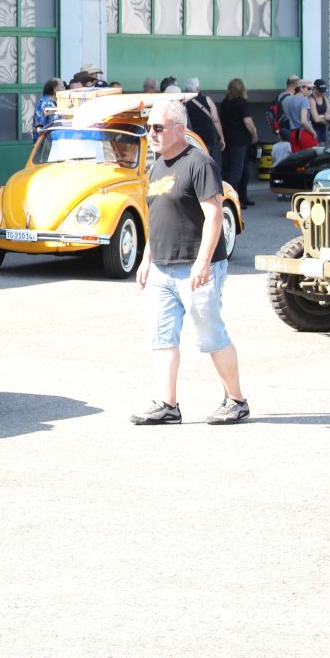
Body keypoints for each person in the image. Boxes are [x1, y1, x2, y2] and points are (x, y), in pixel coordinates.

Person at [131, 100, 248, 425]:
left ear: (180, 129)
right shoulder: (158, 165)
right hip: (162, 268)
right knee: (162, 337)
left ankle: (236, 400)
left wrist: (203, 262)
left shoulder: (199, 163)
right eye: (149, 128)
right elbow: (157, 216)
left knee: (211, 335)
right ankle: (167, 405)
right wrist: (147, 258)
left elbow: (214, 216)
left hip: (194, 268)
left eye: (158, 128)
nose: (151, 134)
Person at [218, 78, 258, 207]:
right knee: (238, 170)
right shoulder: (242, 102)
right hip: (240, 140)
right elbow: (248, 122)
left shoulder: (225, 103)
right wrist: (254, 135)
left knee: (229, 169)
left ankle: (239, 197)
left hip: (227, 139)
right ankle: (233, 199)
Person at [182, 77, 225, 168]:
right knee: (207, 163)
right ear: (198, 88)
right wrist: (221, 137)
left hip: (191, 138)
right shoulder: (207, 100)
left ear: (186, 89)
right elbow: (216, 120)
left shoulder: (183, 102)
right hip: (206, 138)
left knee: (191, 164)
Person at [309, 79, 330, 143]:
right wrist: (326, 116)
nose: (322, 93)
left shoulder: (324, 98)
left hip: (323, 128)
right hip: (314, 129)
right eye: (320, 91)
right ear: (315, 89)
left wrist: (321, 117)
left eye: (323, 91)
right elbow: (316, 119)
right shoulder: (311, 99)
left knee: (323, 145)